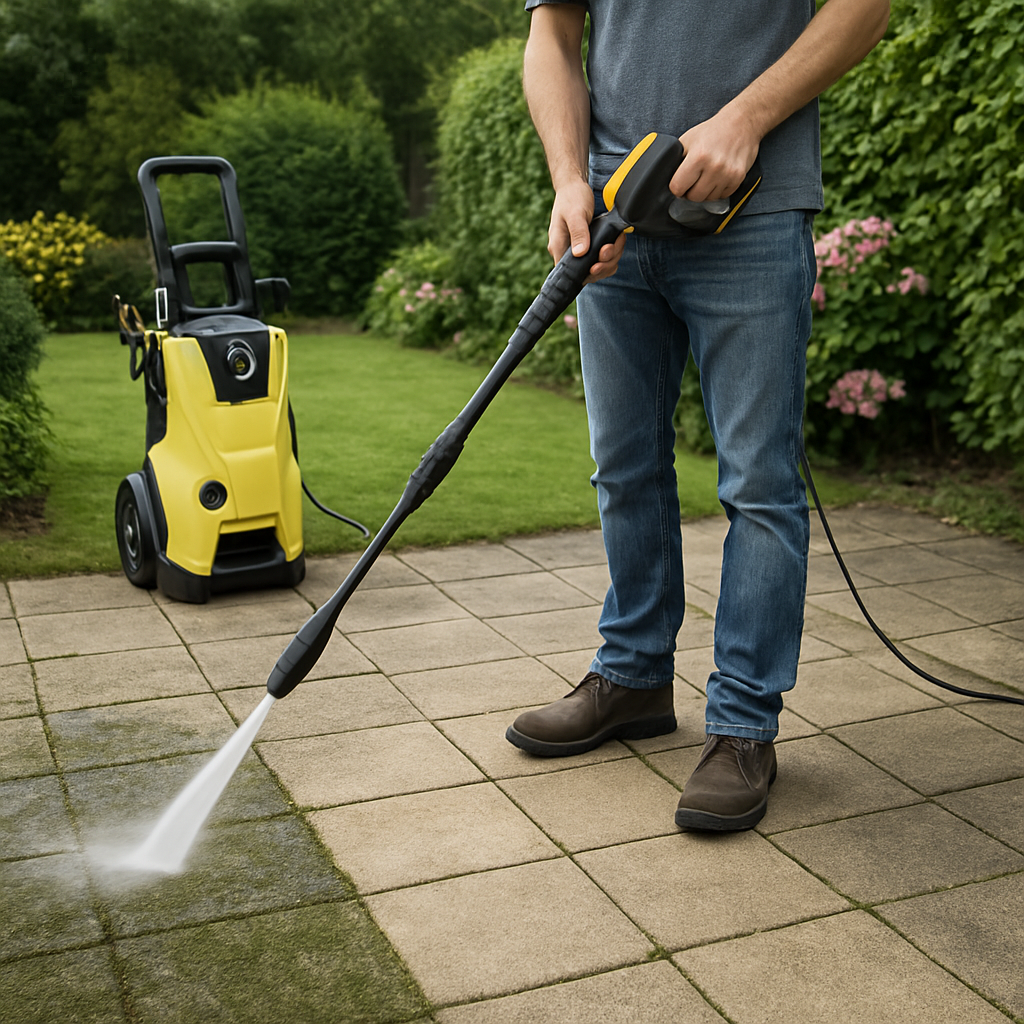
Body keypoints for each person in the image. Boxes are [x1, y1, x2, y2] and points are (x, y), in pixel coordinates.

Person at [505, 0, 890, 831]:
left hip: (754, 212)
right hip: (613, 213)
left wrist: (747, 116)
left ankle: (744, 725)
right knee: (624, 467)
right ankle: (633, 677)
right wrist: (569, 179)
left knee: (758, 485)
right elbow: (552, 36)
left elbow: (866, 7)